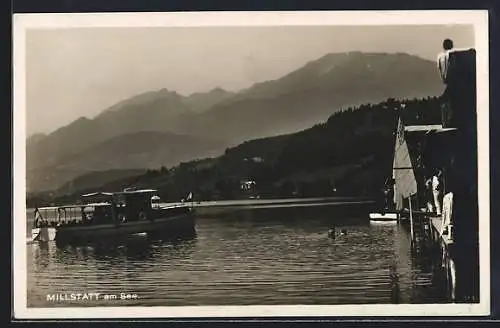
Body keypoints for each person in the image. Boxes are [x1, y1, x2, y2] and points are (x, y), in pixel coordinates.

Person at [437, 39, 455, 127]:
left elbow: (440, 70)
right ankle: (449, 122)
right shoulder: (453, 55)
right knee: (450, 102)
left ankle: (445, 123)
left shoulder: (440, 57)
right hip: (453, 82)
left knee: (445, 102)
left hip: (447, 82)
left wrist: (444, 79)